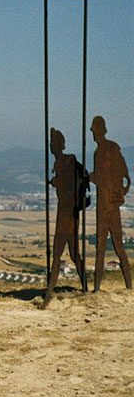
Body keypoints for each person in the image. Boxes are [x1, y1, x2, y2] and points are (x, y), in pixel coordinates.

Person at [42, 128, 89, 306]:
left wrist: (57, 182)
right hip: (64, 212)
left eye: (53, 143)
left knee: (69, 253)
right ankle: (51, 290)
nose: (51, 147)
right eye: (51, 143)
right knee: (61, 253)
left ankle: (54, 290)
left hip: (68, 213)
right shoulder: (59, 163)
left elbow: (70, 185)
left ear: (59, 145)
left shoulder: (67, 161)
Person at [90, 116, 131, 291]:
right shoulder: (98, 152)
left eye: (94, 130)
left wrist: (120, 190)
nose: (93, 133)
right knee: (101, 249)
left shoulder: (111, 149)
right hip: (103, 206)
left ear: (100, 130)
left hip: (110, 206)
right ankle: (97, 288)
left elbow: (124, 174)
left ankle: (129, 285)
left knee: (117, 247)